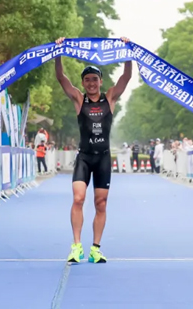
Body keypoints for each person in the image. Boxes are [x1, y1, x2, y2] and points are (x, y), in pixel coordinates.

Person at [55, 36, 132, 264]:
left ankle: (95, 249)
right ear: (83, 83)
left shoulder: (110, 98)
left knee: (101, 203)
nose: (91, 83)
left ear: (100, 81)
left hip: (103, 159)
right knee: (78, 198)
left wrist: (127, 50)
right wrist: (57, 52)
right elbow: (61, 78)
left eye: (94, 79)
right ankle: (76, 246)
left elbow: (126, 77)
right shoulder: (79, 100)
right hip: (85, 157)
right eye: (87, 80)